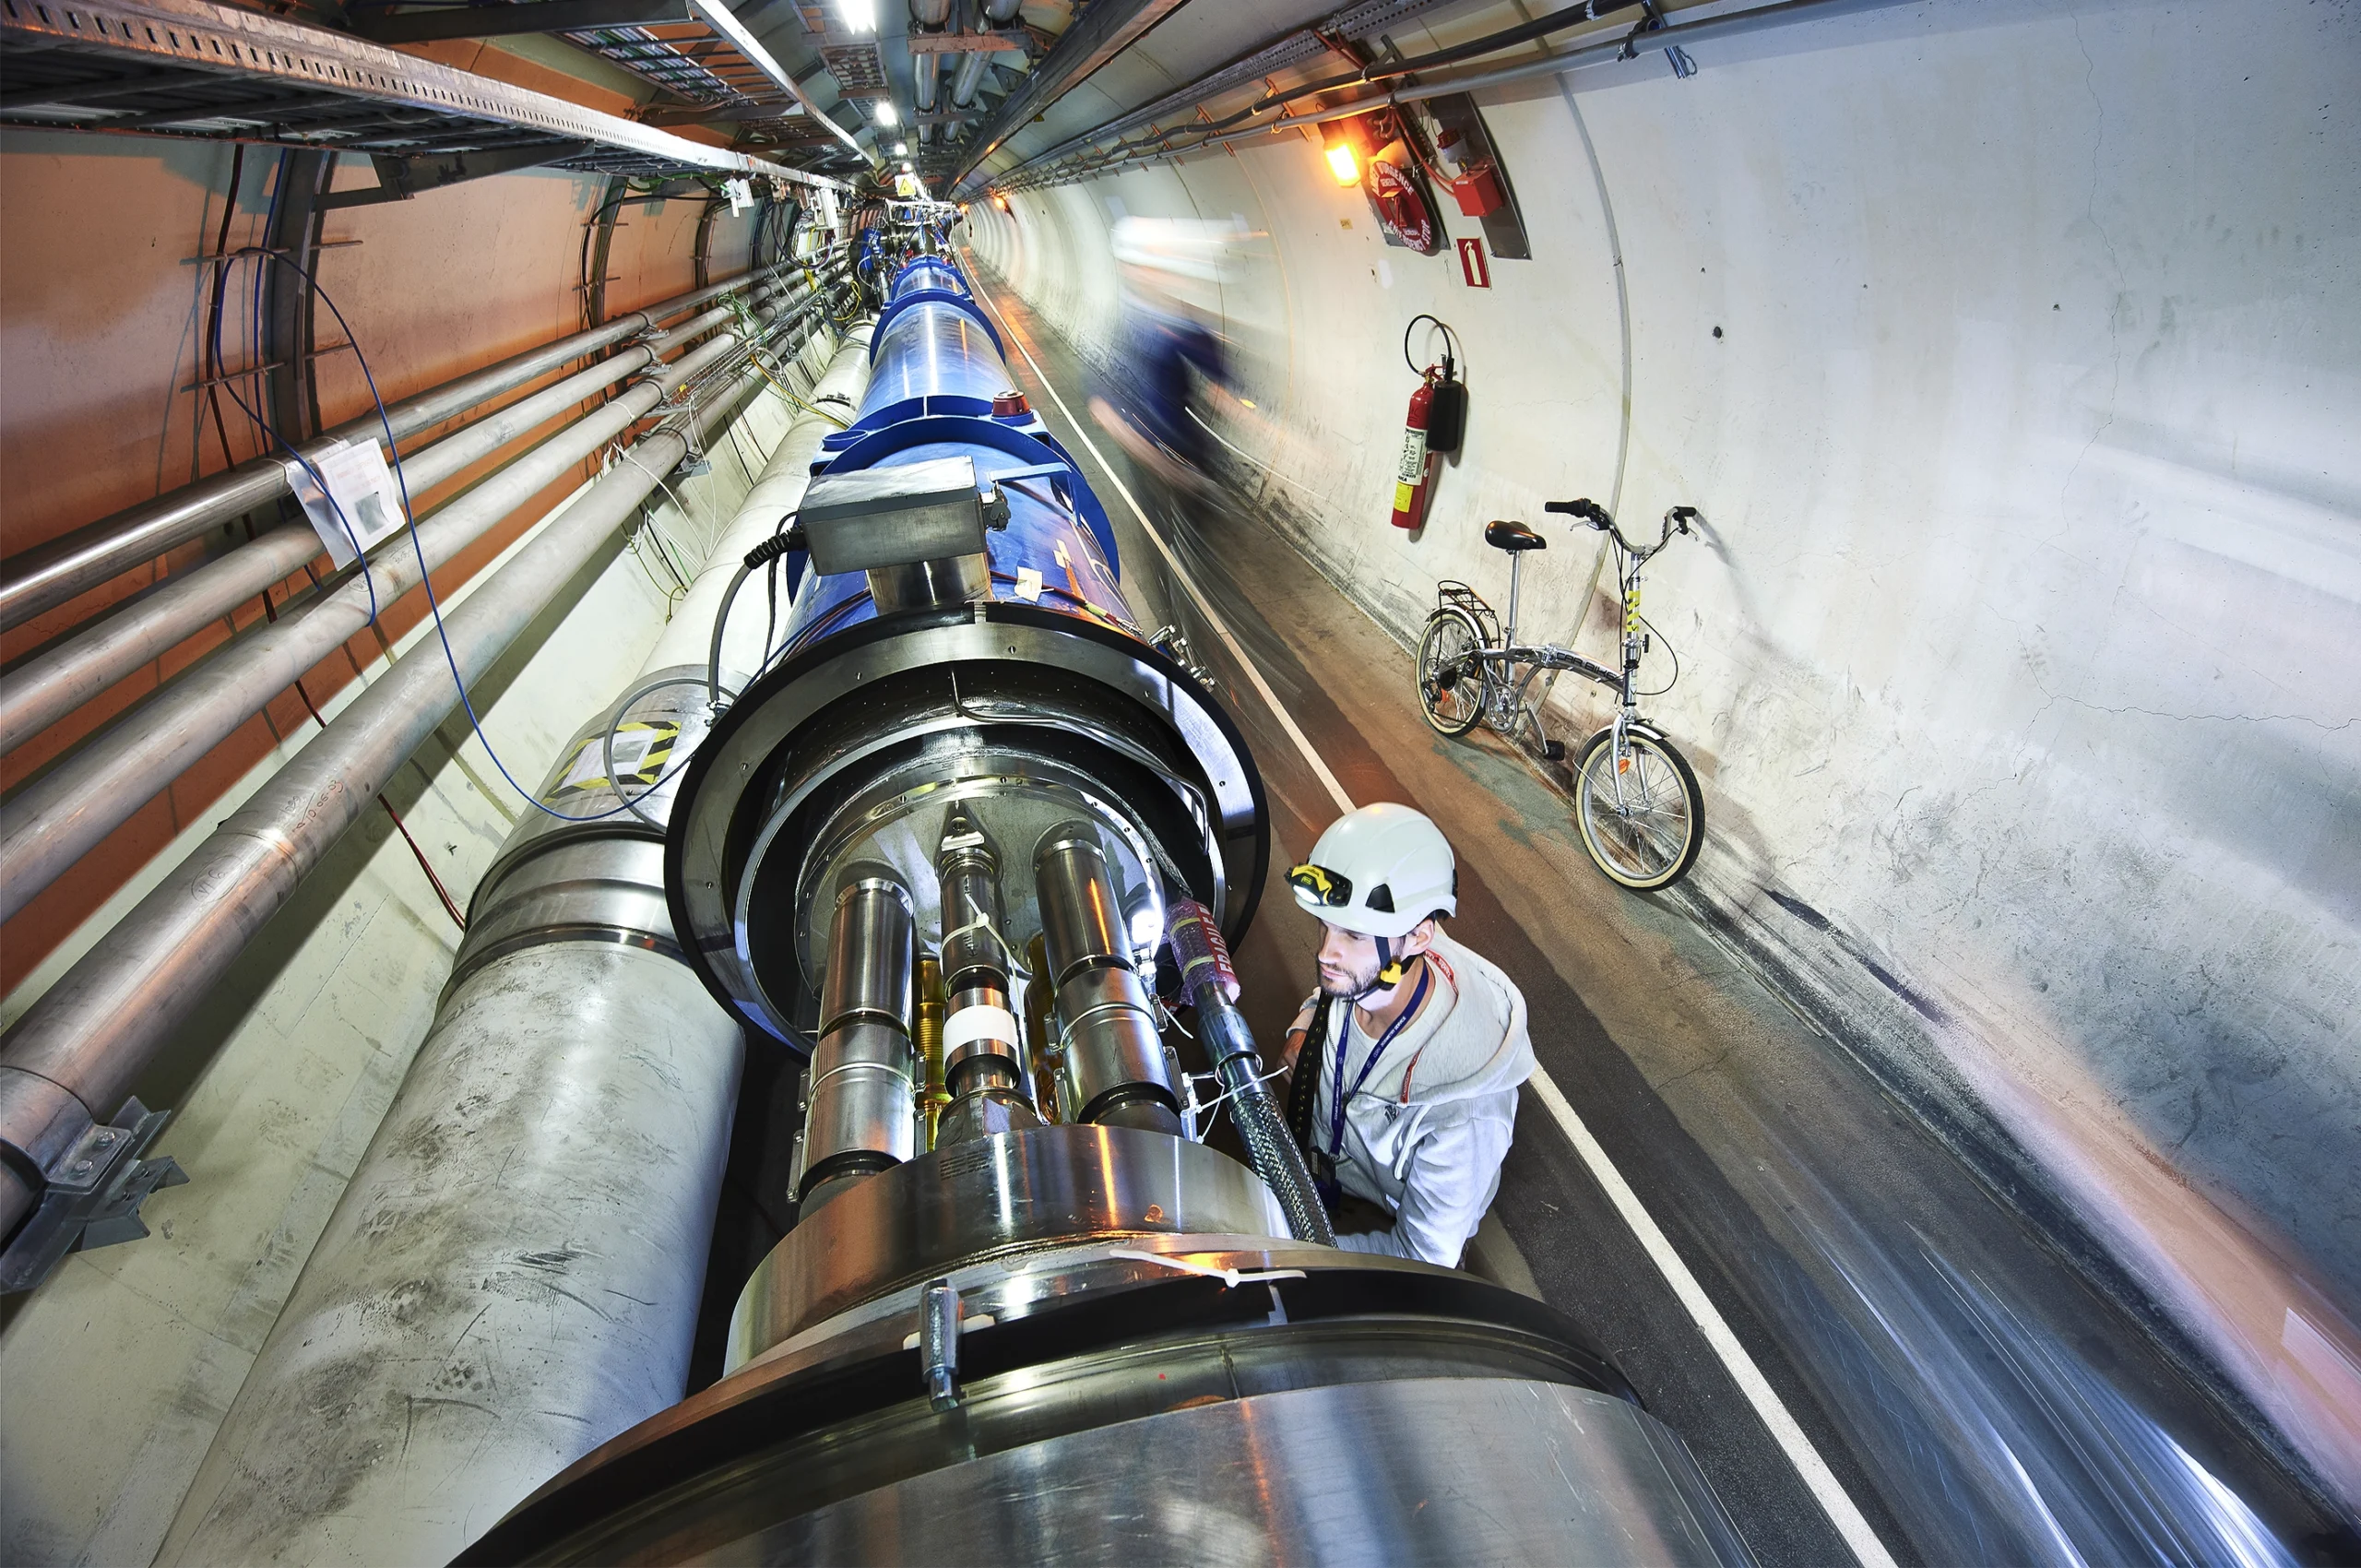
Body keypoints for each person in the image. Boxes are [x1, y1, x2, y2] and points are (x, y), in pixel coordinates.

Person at [1281, 802, 1534, 1268]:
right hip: (1331, 1169)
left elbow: (1419, 1261)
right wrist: (1304, 1027)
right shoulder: (1373, 966)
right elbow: (1329, 993)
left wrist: (1285, 1254)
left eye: (1353, 935)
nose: (1325, 953)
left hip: (1382, 1217)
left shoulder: (1463, 1115)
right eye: (1324, 925)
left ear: (1418, 939)